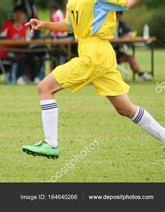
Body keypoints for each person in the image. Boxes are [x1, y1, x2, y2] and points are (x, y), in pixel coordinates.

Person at [22, 0, 165, 159]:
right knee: (125, 109)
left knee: (45, 88)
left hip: (95, 54)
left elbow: (127, 4)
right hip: (98, 54)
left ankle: (51, 144)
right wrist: (44, 24)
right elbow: (70, 25)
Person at [0, 6, 29, 84]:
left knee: (30, 55)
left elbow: (28, 40)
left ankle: (26, 77)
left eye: (21, 14)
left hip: (22, 49)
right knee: (20, 56)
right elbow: (0, 37)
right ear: (14, 14)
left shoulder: (26, 27)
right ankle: (18, 77)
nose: (19, 16)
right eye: (17, 14)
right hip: (9, 50)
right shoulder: (8, 25)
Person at [114, 11, 152, 81]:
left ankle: (141, 75)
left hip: (116, 52)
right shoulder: (107, 24)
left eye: (120, 14)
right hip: (106, 52)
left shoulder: (121, 24)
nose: (118, 16)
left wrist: (127, 36)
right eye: (117, 14)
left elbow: (133, 32)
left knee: (130, 58)